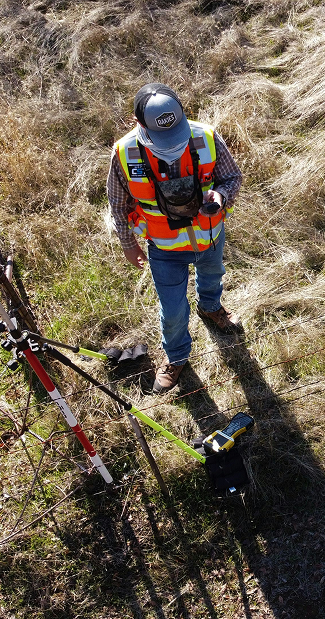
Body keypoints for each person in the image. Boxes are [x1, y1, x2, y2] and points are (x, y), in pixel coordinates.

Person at [107, 83, 243, 393]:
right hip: (164, 248)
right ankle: (177, 357)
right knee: (172, 311)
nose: (173, 144)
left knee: (213, 277)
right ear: (137, 122)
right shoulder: (124, 153)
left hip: (210, 237)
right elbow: (117, 203)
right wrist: (128, 244)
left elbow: (232, 177)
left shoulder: (206, 136)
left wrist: (221, 196)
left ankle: (211, 308)